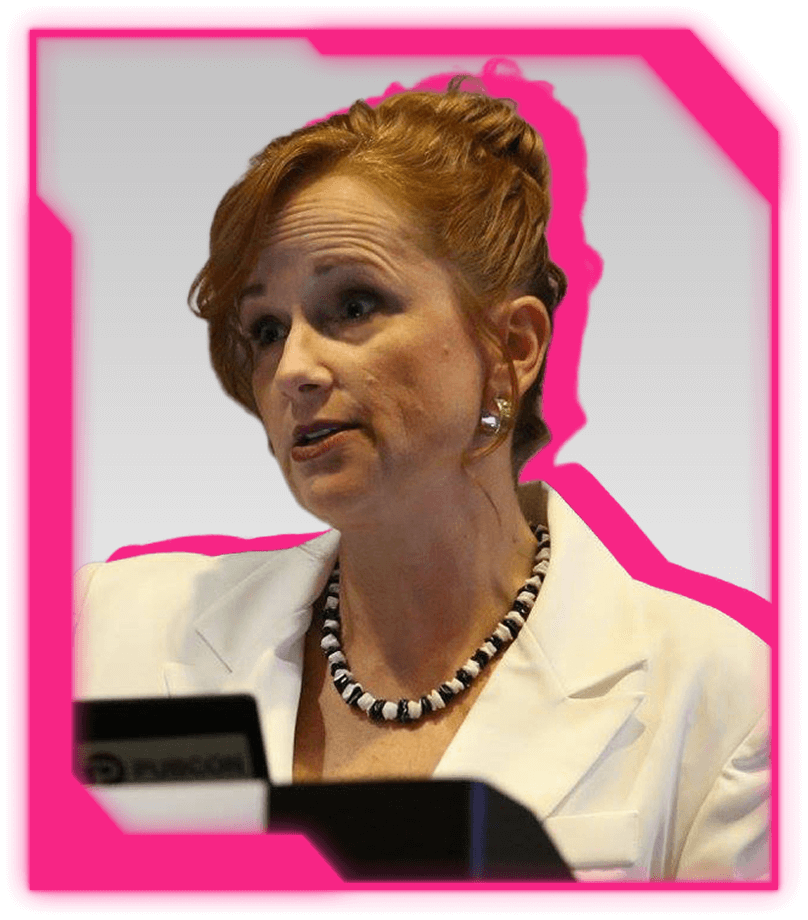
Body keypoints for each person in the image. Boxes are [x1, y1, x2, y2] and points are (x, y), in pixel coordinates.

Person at [74, 76, 769, 880]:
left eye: (353, 305)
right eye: (266, 329)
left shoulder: (721, 701)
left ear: (511, 347)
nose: (292, 368)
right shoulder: (108, 628)